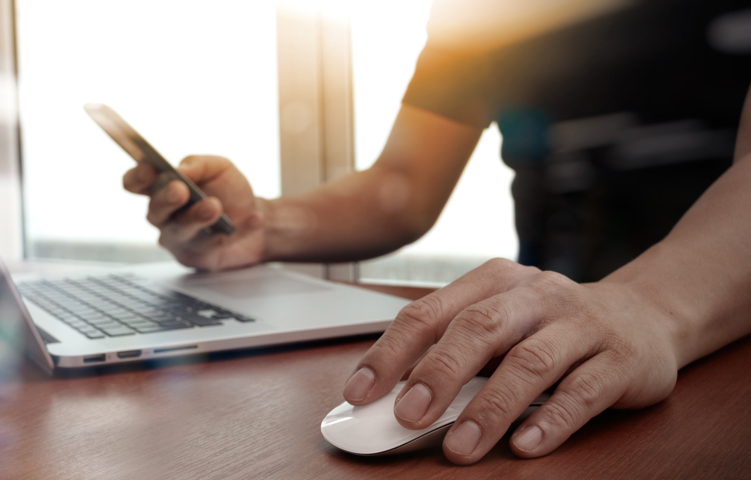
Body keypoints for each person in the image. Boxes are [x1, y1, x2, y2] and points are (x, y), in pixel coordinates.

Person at [122, 0, 751, 465]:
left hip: (717, 346)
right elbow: (401, 184)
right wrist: (263, 226)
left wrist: (648, 306)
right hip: (528, 346)